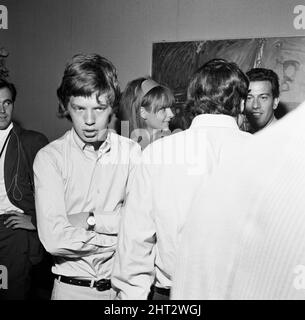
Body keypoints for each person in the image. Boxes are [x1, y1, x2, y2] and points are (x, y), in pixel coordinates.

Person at [111, 59, 251, 300]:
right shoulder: (266, 151)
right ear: (241, 102)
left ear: (193, 101)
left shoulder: (159, 152)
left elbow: (135, 240)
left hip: (173, 294)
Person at [172, 99, 305, 300]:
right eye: (251, 97)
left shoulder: (249, 155)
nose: (256, 105)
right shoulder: (252, 157)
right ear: (242, 104)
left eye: (264, 97)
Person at [33, 53, 141, 300]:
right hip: (70, 291)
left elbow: (139, 223)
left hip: (121, 290)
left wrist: (90, 219)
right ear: (66, 107)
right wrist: (118, 237)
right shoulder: (50, 158)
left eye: (99, 109)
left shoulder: (131, 152)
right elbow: (54, 239)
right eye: (79, 108)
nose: (90, 121)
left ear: (112, 106)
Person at [0, 78, 49, 300]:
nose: (2, 110)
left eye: (7, 103)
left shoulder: (31, 142)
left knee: (11, 293)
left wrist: (34, 220)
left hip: (11, 230)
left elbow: (54, 194)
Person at [118, 77, 174, 149]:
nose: (171, 114)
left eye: (170, 107)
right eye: (163, 109)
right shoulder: (131, 153)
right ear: (143, 112)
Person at [245, 68, 280, 133]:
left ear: (275, 102)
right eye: (249, 98)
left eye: (263, 98)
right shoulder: (242, 138)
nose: (255, 105)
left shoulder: (291, 138)